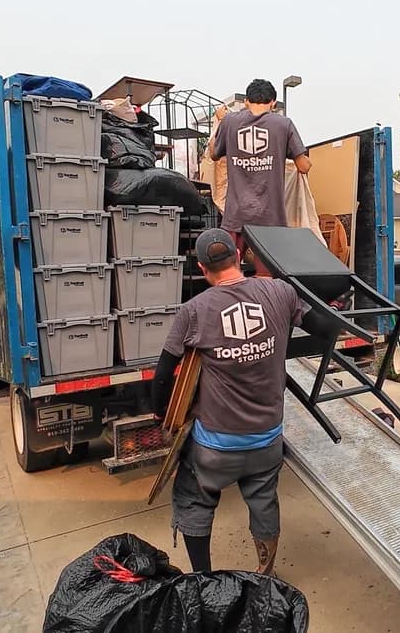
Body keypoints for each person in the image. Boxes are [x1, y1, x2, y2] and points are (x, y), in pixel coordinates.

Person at [152, 228, 333, 575]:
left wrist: (160, 413)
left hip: (214, 448)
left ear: (203, 268)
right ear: (239, 256)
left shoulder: (194, 311)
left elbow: (164, 374)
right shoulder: (280, 292)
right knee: (264, 501)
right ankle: (265, 572)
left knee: (193, 499)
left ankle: (203, 579)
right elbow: (325, 327)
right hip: (266, 440)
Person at [207, 79, 313, 276]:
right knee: (267, 278)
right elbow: (304, 167)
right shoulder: (284, 124)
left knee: (230, 274)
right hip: (270, 218)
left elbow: (213, 154)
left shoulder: (230, 122)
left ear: (246, 101)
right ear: (273, 102)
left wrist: (220, 122)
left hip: (236, 215)